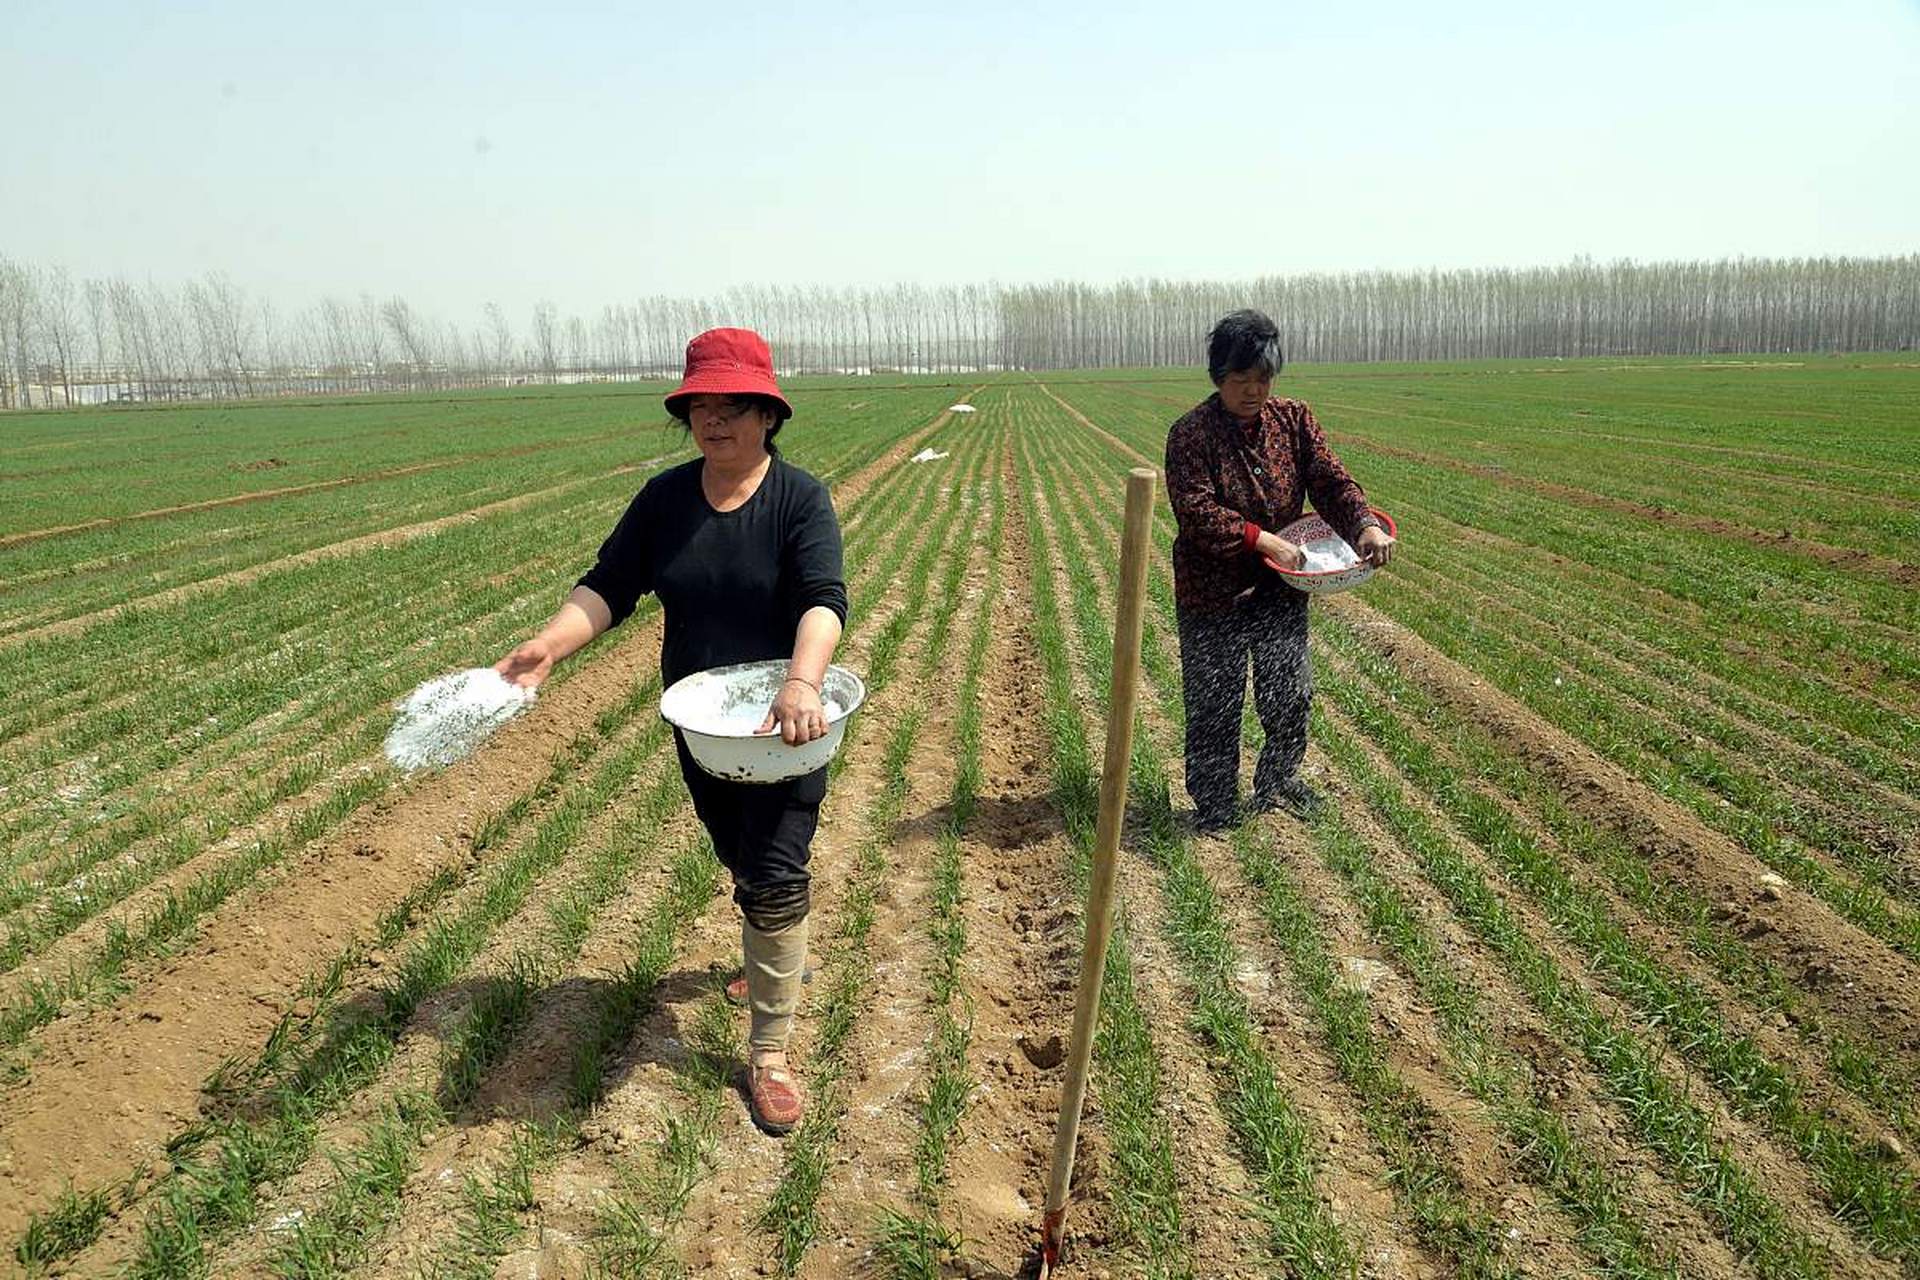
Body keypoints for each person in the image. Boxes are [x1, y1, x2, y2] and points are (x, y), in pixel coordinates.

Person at [494, 327, 846, 1136]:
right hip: (704, 724)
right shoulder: (664, 501)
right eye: (699, 407)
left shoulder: (799, 499)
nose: (713, 420)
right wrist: (550, 644)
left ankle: (770, 1051)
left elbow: (823, 599)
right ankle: (767, 944)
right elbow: (609, 585)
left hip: (785, 725)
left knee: (775, 870)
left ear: (768, 413)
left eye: (732, 406)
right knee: (738, 854)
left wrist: (802, 681)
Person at [1163, 309, 1394, 832]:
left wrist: (1363, 526)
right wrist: (1261, 539)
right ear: (1218, 377)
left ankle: (1279, 781)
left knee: (1289, 692)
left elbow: (1330, 481)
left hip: (1279, 589)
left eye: (1263, 379)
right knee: (1215, 701)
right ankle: (1215, 804)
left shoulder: (1293, 420)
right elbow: (1196, 512)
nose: (1253, 391)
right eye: (1240, 379)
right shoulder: (1191, 435)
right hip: (1213, 592)